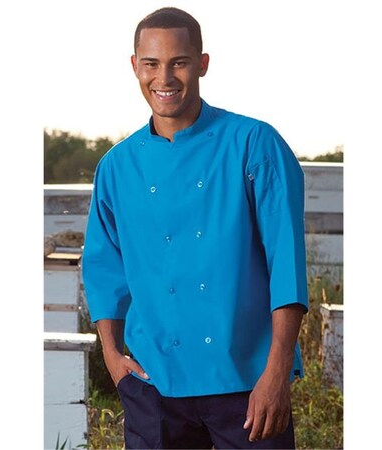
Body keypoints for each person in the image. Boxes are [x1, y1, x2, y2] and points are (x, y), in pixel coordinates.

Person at [82, 7, 308, 449]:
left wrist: (277, 372)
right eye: (151, 64)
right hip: (153, 385)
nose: (164, 78)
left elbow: (287, 266)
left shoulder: (254, 144)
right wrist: (112, 356)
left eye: (179, 62)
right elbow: (105, 270)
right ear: (135, 66)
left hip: (247, 383)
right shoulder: (116, 166)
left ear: (202, 64)